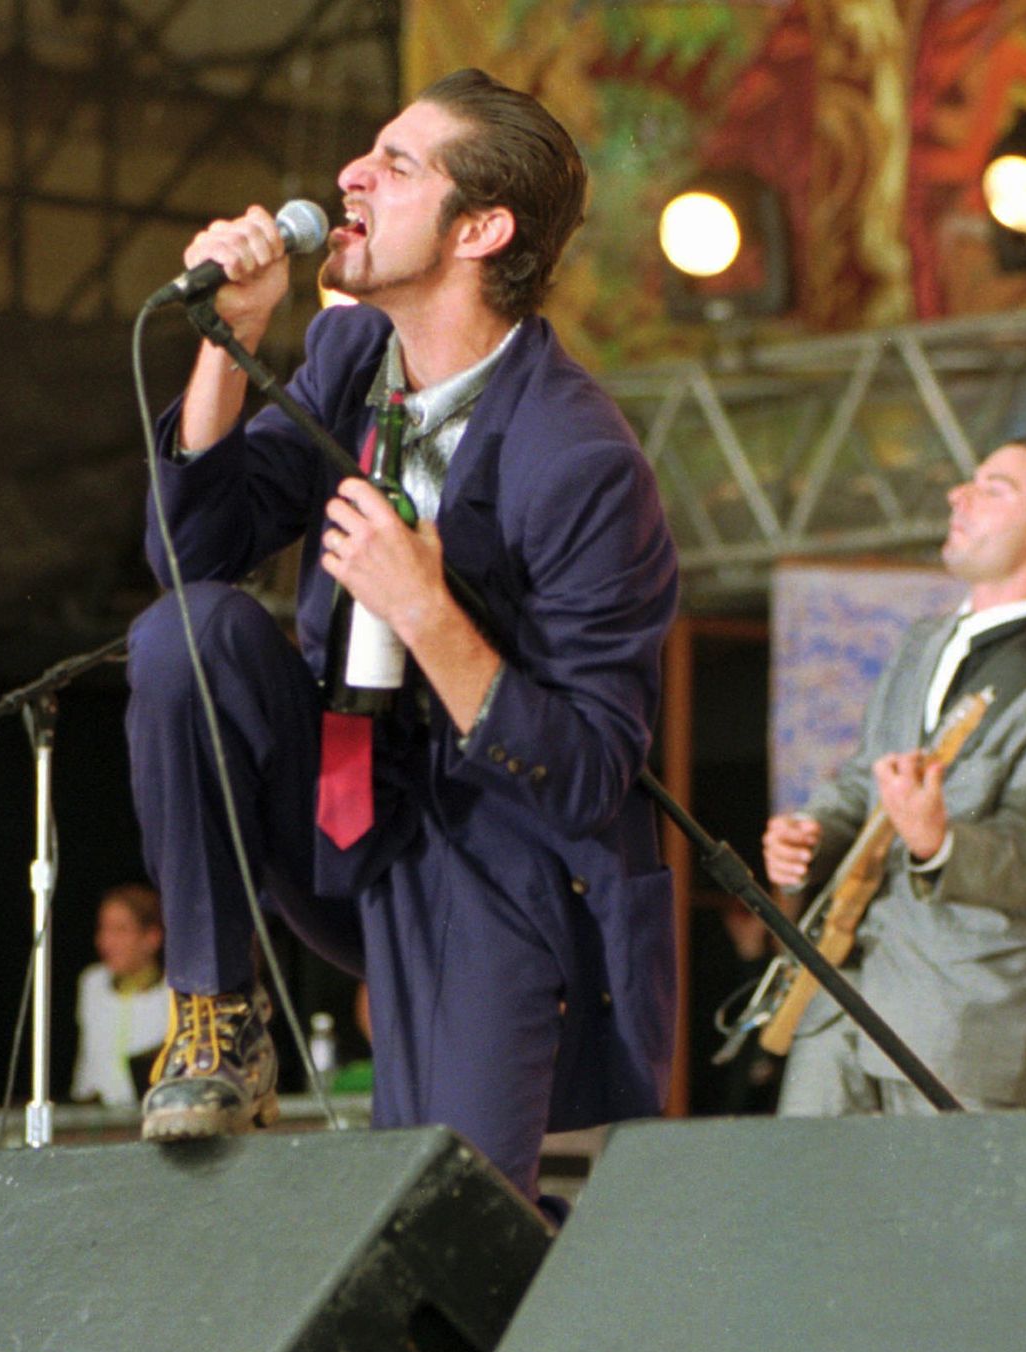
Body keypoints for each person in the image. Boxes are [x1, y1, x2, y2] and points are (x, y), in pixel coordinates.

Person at [126, 69, 679, 1210]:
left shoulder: (581, 462)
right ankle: (216, 1012)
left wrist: (426, 612)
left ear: (482, 228)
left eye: (398, 164)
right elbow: (191, 551)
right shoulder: (344, 357)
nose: (350, 178)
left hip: (497, 860)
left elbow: (586, 770)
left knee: (444, 1220)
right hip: (342, 813)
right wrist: (229, 343)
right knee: (192, 628)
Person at [762, 436, 1026, 1116]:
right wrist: (812, 831)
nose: (957, 496)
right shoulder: (920, 644)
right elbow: (859, 784)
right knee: (804, 1213)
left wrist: (938, 840)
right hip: (839, 1001)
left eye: (993, 487)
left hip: (964, 1022)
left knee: (937, 1224)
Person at [70, 883, 169, 1105]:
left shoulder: (172, 990)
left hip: (150, 1114)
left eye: (120, 930)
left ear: (152, 937)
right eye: (103, 929)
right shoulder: (92, 983)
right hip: (91, 1117)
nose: (106, 941)